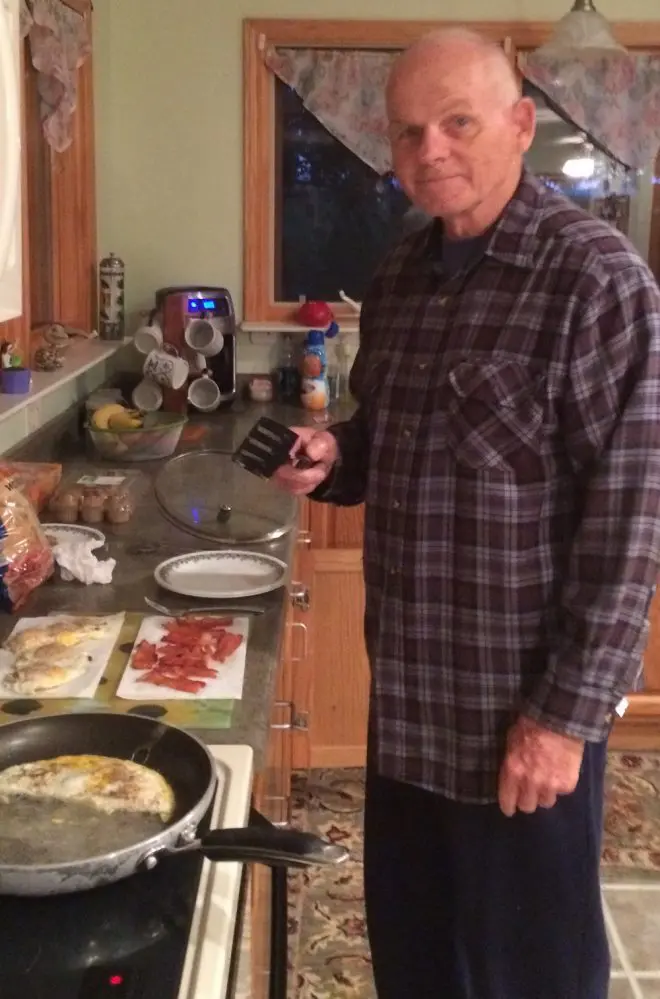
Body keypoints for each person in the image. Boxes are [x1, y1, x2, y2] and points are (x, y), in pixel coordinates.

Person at [274, 27, 660, 999]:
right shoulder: (400, 277)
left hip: (516, 721)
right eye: (409, 132)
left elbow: (631, 523)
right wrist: (336, 457)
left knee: (530, 976)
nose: (430, 150)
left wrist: (562, 720)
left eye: (458, 123)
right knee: (417, 962)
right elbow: (392, 439)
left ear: (522, 124)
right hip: (407, 706)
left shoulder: (597, 280)